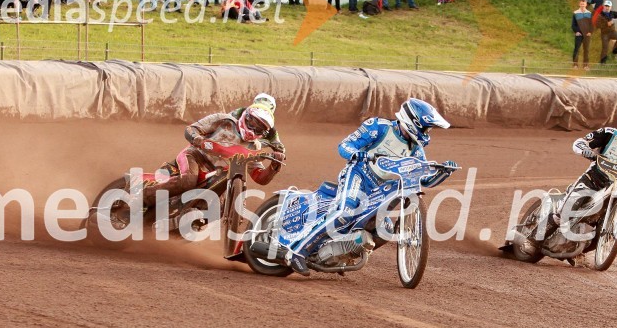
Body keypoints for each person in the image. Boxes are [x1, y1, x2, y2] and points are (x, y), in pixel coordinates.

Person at [282, 98, 457, 276]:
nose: (427, 133)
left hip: (379, 191)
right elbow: (344, 146)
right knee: (346, 212)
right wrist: (357, 154)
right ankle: (297, 252)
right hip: (359, 175)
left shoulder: (416, 150)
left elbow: (424, 180)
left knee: (385, 230)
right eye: (425, 128)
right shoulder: (378, 127)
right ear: (414, 123)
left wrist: (443, 172)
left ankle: (341, 255)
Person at [140, 103, 284, 207]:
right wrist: (198, 140)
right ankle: (142, 198)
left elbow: (259, 177)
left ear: (264, 133)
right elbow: (192, 129)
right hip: (196, 157)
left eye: (260, 128)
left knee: (217, 207)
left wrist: (273, 167)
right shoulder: (223, 120)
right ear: (245, 116)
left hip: (221, 176)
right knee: (188, 181)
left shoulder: (255, 147)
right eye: (253, 122)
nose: (254, 129)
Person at [572, 0, 593, 70]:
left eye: (584, 4)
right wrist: (576, 31)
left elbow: (591, 24)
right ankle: (575, 65)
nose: (582, 5)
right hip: (579, 34)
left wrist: (590, 32)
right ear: (579, 4)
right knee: (577, 49)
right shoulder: (575, 13)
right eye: (581, 4)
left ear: (586, 5)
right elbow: (573, 25)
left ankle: (585, 66)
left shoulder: (589, 13)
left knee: (586, 50)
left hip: (587, 35)